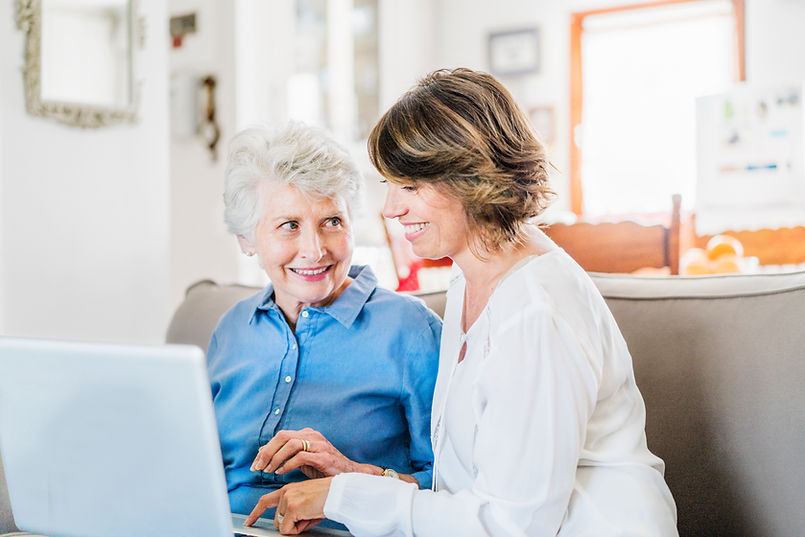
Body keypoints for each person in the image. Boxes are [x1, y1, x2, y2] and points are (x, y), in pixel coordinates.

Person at [243, 69, 679, 536]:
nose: (391, 208)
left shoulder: (535, 311)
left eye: (410, 186)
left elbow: (514, 526)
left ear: (473, 177)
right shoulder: (472, 276)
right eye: (390, 185)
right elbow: (471, 492)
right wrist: (356, 478)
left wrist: (347, 497)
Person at [208, 121, 442, 528]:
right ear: (247, 239)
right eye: (289, 225)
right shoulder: (231, 329)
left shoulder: (411, 330)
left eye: (332, 221)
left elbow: (453, 487)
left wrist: (352, 475)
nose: (315, 251)